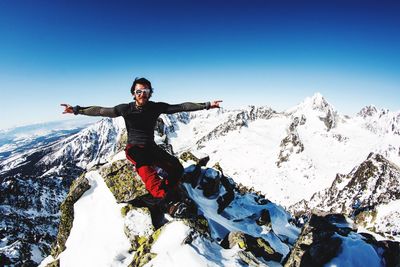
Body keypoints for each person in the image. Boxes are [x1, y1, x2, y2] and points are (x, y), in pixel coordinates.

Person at [61, 77, 222, 217]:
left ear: (150, 93)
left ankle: (166, 191)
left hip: (151, 147)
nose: (142, 94)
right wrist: (76, 110)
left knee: (177, 168)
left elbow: (181, 107)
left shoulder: (155, 107)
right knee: (146, 169)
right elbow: (101, 111)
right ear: (133, 94)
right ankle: (168, 203)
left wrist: (207, 104)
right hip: (134, 149)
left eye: (145, 91)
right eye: (139, 91)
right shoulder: (125, 109)